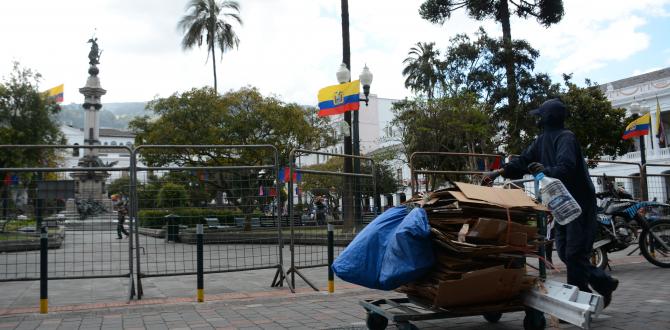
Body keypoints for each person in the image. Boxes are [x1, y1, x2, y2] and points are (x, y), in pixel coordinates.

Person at [484, 98, 619, 307]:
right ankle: (603, 283)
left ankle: (578, 302)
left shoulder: (566, 138)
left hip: (578, 204)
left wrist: (544, 170)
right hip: (560, 203)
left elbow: (566, 167)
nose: (537, 120)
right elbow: (523, 161)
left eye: (540, 116)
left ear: (547, 118)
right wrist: (498, 172)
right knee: (565, 252)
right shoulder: (541, 140)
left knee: (574, 253)